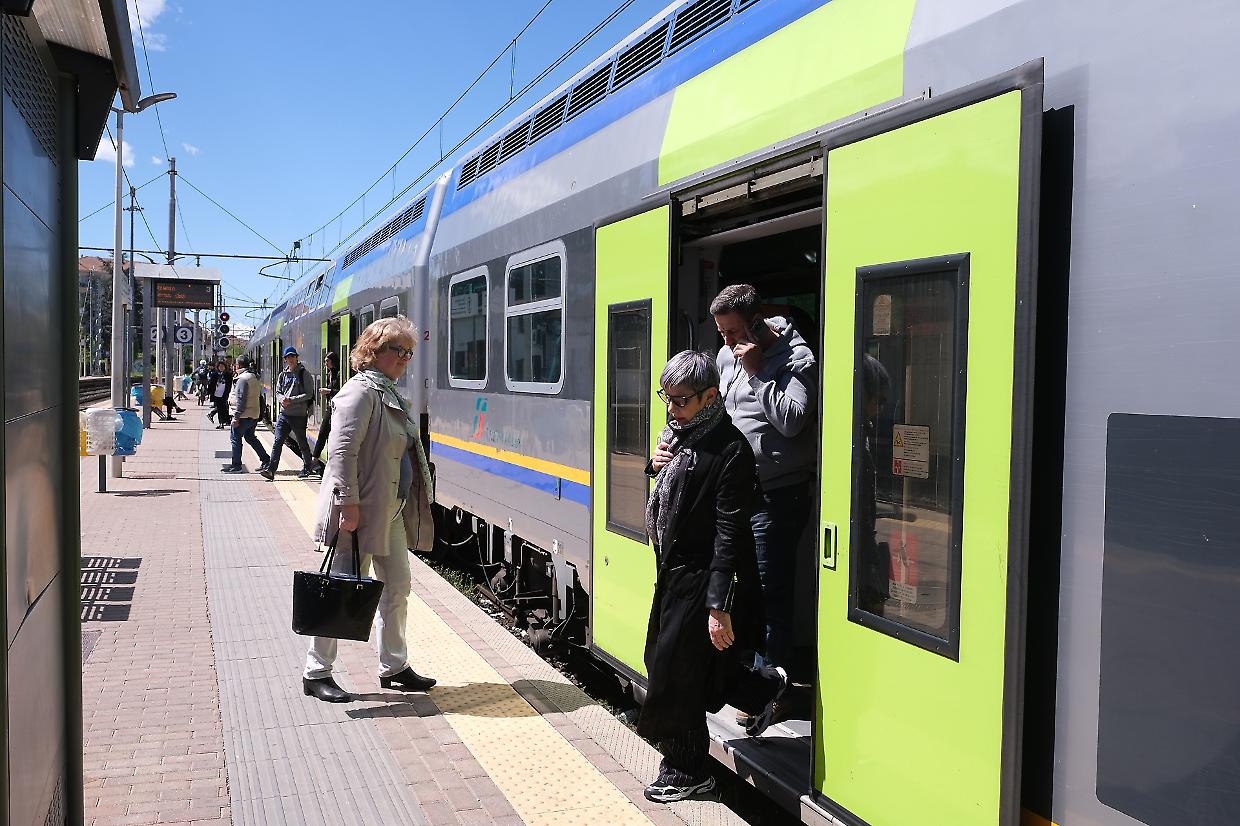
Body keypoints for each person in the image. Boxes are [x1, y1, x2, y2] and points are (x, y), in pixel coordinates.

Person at [638, 351, 786, 803]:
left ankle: (688, 768)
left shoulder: (731, 450)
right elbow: (674, 492)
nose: (671, 408)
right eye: (667, 397)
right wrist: (657, 464)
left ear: (710, 397)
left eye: (680, 400)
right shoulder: (680, 435)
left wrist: (718, 607)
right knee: (670, 659)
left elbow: (729, 533)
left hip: (704, 576)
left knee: (675, 672)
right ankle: (763, 688)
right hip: (674, 569)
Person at [301, 316, 436, 703]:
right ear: (374, 350)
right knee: (341, 590)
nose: (406, 359)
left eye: (410, 353)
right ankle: (316, 672)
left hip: (390, 511)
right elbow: (342, 453)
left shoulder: (391, 393)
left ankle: (394, 666)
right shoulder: (359, 393)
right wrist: (348, 505)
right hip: (360, 511)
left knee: (397, 588)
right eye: (400, 351)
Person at [701, 284, 816, 688]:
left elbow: (793, 420)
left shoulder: (795, 356)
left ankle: (772, 689)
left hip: (777, 495)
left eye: (732, 333)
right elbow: (719, 411)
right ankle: (744, 677)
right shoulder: (724, 355)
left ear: (755, 323)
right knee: (741, 586)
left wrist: (758, 371)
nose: (726, 342)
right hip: (737, 491)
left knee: (770, 594)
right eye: (721, 333)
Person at [261, 346, 316, 481]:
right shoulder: (282, 375)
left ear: (297, 358)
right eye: (288, 357)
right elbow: (278, 391)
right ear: (285, 360)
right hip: (284, 415)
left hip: (298, 415)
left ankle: (307, 467)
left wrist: (291, 400)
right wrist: (281, 399)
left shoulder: (305, 374)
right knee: (278, 441)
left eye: (292, 356)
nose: (290, 359)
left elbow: (309, 394)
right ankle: (271, 470)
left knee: (302, 443)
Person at [222, 356, 270, 474]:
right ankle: (266, 460)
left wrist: (236, 416)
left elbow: (241, 399)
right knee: (250, 437)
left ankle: (236, 465)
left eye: (235, 364)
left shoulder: (242, 379)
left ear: (238, 365)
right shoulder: (253, 376)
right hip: (253, 413)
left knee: (235, 439)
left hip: (242, 415)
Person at [310, 351, 341, 477]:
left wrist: (328, 391)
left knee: (326, 433)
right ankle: (315, 460)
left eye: (327, 361)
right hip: (330, 408)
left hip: (337, 409)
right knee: (323, 433)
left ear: (332, 361)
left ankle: (315, 460)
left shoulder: (339, 373)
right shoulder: (330, 374)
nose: (325, 364)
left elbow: (342, 390)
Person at [207, 360, 233, 430]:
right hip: (216, 394)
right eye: (220, 367)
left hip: (224, 394)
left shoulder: (228, 375)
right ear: (217, 367)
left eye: (222, 366)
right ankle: (221, 423)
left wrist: (228, 393)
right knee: (220, 408)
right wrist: (208, 393)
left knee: (223, 408)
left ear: (225, 367)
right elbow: (211, 384)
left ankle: (224, 421)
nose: (221, 368)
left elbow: (230, 385)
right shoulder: (215, 374)